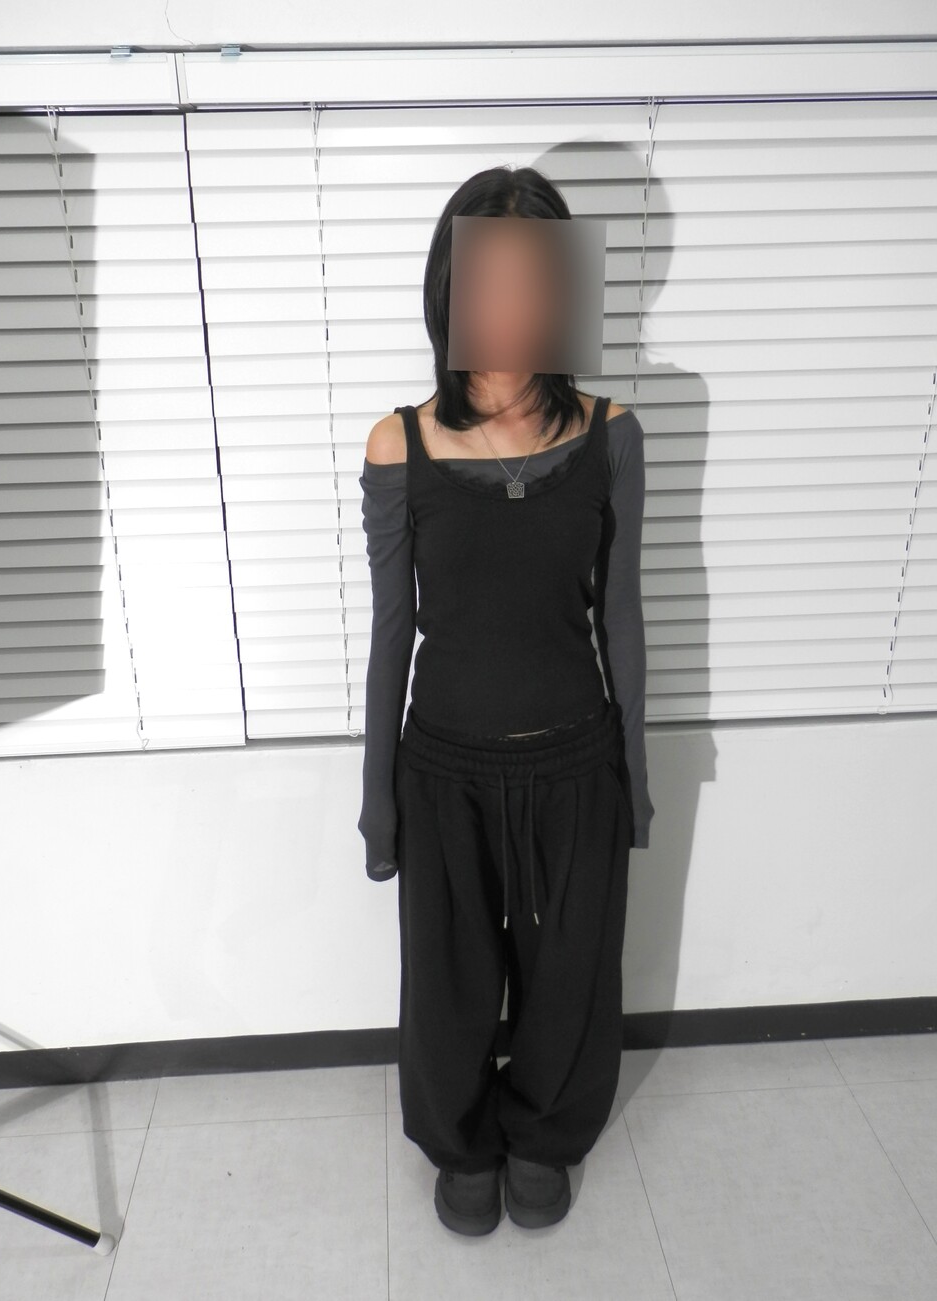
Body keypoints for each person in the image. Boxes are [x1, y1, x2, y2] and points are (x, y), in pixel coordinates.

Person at [357, 165, 654, 1236]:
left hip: (575, 761)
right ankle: (462, 1143)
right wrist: (378, 802)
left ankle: (544, 1135)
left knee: (569, 974)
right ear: (451, 288)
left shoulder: (611, 432)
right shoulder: (400, 441)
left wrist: (635, 779)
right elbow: (391, 630)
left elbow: (621, 614)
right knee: (448, 983)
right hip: (444, 768)